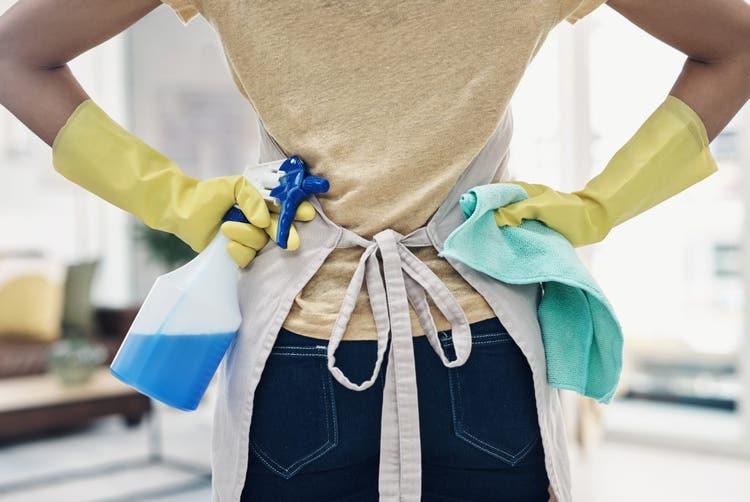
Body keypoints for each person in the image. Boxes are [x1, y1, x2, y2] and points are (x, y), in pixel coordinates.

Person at [1, 1, 748, 501]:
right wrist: (597, 207)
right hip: (480, 344)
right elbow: (734, 45)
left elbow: (16, 56)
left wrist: (182, 201)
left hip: (298, 351)